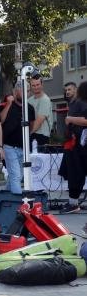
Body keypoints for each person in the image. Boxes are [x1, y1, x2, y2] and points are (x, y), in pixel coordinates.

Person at [0, 85, 36, 194]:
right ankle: (18, 202)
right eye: (23, 91)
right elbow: (0, 121)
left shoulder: (30, 108)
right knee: (15, 175)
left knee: (17, 175)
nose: (26, 93)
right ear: (15, 92)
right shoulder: (7, 105)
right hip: (9, 146)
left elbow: (32, 126)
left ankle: (6, 197)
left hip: (23, 147)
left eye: (28, 91)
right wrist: (9, 104)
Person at [61, 82, 87, 213]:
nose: (67, 92)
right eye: (66, 90)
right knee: (74, 174)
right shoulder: (73, 104)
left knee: (76, 174)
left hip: (79, 146)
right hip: (74, 145)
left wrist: (70, 119)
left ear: (77, 90)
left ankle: (73, 204)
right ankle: (73, 203)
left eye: (70, 89)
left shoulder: (81, 103)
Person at [27, 77, 54, 148]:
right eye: (33, 85)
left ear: (42, 85)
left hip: (41, 136)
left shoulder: (45, 100)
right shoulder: (29, 100)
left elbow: (39, 121)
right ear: (30, 86)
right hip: (32, 134)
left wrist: (26, 134)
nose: (36, 87)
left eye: (38, 84)